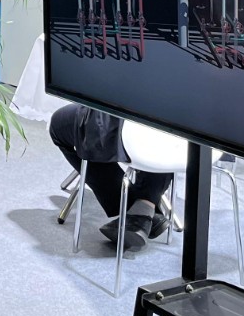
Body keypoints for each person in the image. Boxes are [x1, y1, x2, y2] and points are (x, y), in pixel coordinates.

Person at [49, 104, 172, 249]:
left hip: (114, 127)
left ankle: (135, 212)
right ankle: (146, 204)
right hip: (177, 138)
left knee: (58, 126)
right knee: (164, 127)